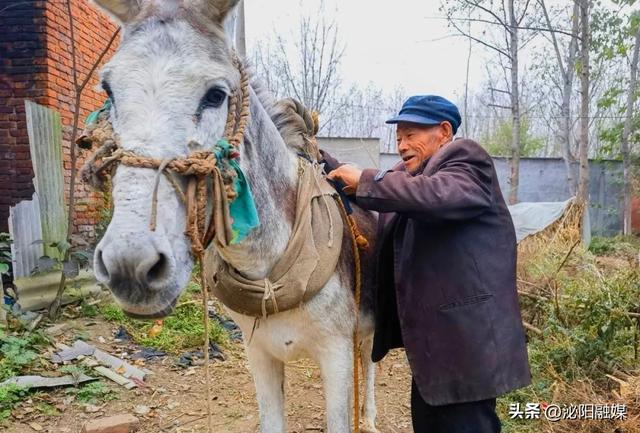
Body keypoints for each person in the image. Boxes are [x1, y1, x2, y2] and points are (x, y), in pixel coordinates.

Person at [323, 95, 532, 433]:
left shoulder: (466, 161)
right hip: (434, 352)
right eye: (399, 137)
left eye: (411, 134)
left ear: (444, 131)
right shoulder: (414, 175)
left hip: (467, 346)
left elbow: (428, 195)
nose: (402, 145)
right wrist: (321, 158)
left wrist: (365, 179)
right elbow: (380, 186)